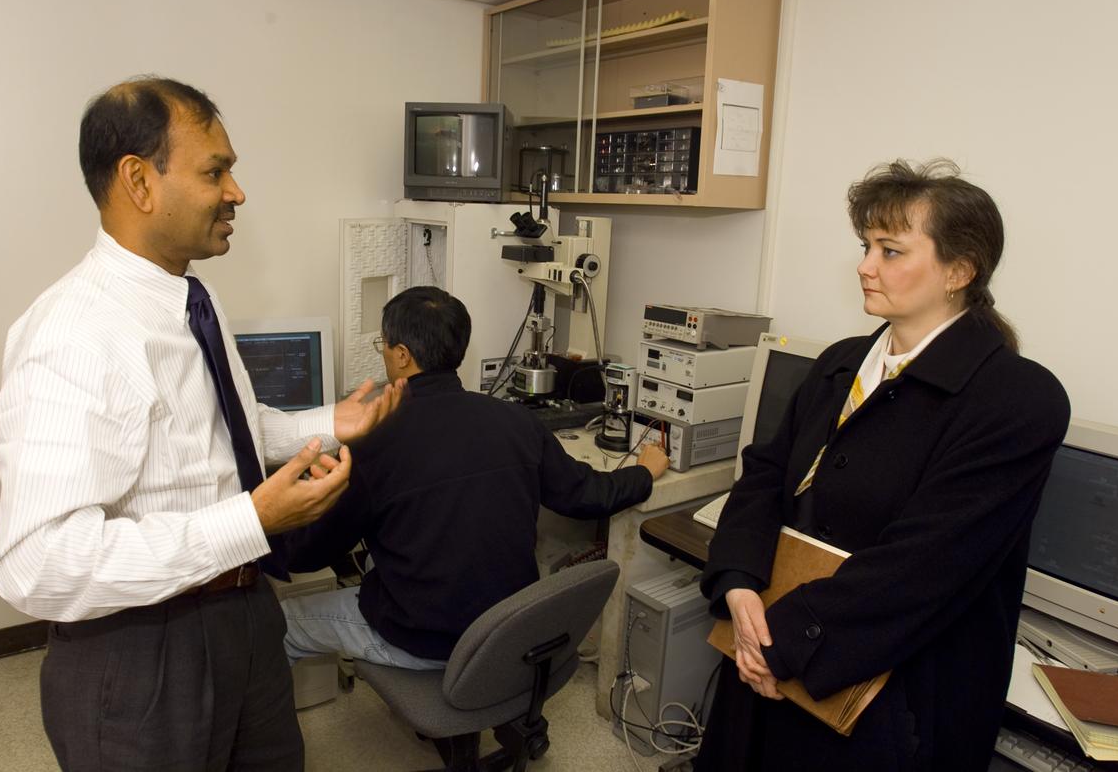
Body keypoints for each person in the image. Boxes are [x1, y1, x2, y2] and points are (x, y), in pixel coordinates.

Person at [0, 76, 403, 772]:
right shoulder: (73, 332)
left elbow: (225, 431)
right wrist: (250, 519)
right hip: (143, 648)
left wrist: (334, 420)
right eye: (216, 170)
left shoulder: (190, 300)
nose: (237, 192)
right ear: (139, 181)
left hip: (241, 613)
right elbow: (35, 562)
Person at [694, 159, 1069, 771]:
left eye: (891, 250)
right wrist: (737, 585)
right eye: (866, 246)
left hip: (890, 696)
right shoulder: (841, 362)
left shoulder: (1018, 400)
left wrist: (777, 641)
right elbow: (764, 475)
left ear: (960, 270)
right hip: (768, 641)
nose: (866, 266)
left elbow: (926, 563)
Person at [279, 285, 670, 669]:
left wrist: (260, 525)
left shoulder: (373, 440)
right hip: (506, 631)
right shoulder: (517, 421)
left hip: (426, 641)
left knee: (279, 624)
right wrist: (644, 472)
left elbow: (312, 555)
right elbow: (588, 495)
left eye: (383, 343)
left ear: (401, 355)